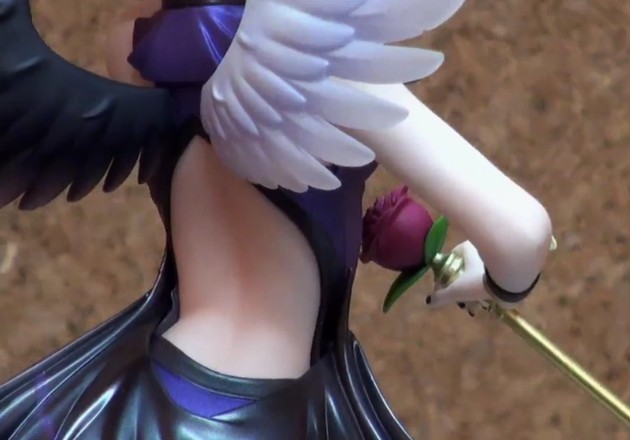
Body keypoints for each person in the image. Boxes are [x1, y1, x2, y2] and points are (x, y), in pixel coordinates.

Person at [0, 0, 553, 437]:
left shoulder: (132, 46)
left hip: (147, 383)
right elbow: (520, 231)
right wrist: (496, 283)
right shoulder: (325, 56)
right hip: (264, 407)